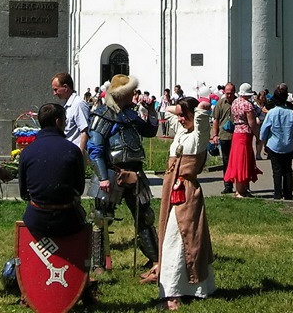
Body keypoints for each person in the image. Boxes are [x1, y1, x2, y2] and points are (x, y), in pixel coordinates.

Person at [88, 74, 160, 275]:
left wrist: (151, 111)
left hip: (135, 172)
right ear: (121, 94)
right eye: (130, 91)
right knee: (101, 218)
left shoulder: (131, 114)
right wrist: (103, 177)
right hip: (112, 172)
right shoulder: (103, 115)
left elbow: (149, 131)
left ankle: (155, 259)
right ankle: (98, 264)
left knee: (145, 216)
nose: (134, 95)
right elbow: (95, 148)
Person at [157, 95, 215, 310]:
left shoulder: (199, 136)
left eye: (184, 115)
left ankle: (172, 293)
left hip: (187, 191)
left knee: (182, 238)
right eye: (180, 115)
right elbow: (169, 112)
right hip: (171, 189)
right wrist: (180, 109)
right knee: (173, 238)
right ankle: (190, 288)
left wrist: (198, 108)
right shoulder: (181, 132)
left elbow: (201, 118)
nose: (180, 119)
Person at [18, 103, 87, 239]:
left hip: (36, 219)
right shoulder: (72, 150)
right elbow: (79, 189)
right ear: (58, 122)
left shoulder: (27, 152)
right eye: (65, 121)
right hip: (68, 220)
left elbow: (24, 192)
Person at [260, 85, 293, 200]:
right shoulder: (291, 113)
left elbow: (264, 130)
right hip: (288, 145)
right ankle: (288, 194)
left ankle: (277, 194)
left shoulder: (272, 113)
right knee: (287, 170)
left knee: (276, 171)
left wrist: (263, 142)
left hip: (274, 145)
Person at [223, 83, 261, 198]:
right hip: (245, 134)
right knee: (243, 161)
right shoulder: (247, 105)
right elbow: (252, 123)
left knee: (237, 160)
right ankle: (241, 191)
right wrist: (258, 135)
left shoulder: (235, 102)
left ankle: (240, 189)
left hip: (236, 133)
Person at [51, 72, 90, 152]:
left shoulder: (78, 104)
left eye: (56, 90)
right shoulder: (66, 103)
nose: (54, 93)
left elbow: (84, 131)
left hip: (74, 152)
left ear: (65, 87)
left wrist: (80, 154)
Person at [211, 83, 235, 194]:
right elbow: (215, 120)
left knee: (238, 161)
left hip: (237, 136)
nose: (229, 95)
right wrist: (214, 135)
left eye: (231, 93)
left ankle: (242, 185)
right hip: (224, 136)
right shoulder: (221, 103)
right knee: (226, 161)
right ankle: (227, 184)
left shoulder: (238, 102)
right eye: (227, 93)